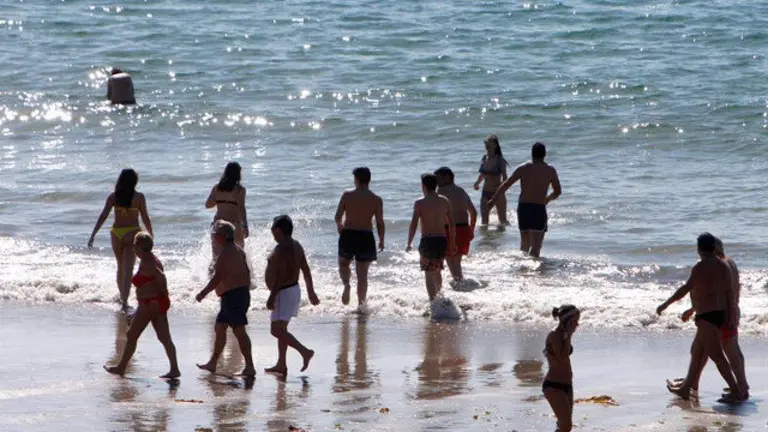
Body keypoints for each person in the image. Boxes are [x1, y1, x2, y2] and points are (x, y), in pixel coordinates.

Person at [656, 233, 743, 402]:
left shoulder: (700, 266)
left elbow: (686, 288)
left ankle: (735, 390)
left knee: (717, 356)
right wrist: (730, 315)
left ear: (699, 249)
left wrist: (665, 304)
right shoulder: (723, 265)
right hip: (720, 315)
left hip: (707, 317)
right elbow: (729, 293)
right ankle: (686, 388)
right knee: (697, 352)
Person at [104, 232, 180, 378]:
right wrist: (162, 298)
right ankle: (174, 369)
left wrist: (164, 293)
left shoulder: (148, 262)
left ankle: (121, 367)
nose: (133, 248)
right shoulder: (151, 259)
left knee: (131, 335)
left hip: (149, 304)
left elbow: (161, 277)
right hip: (155, 303)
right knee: (164, 338)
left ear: (139, 246)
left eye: (134, 245)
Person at [195, 220, 255, 377]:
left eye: (216, 234)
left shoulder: (227, 253)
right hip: (235, 295)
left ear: (224, 236)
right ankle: (213, 363)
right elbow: (247, 272)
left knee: (239, 331)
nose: (214, 236)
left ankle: (250, 367)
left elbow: (217, 278)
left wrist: (203, 293)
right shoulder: (237, 249)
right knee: (220, 327)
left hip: (235, 296)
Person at [88, 169, 153, 311]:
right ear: (134, 181)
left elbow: (103, 216)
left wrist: (93, 234)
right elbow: (145, 218)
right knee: (128, 269)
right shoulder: (139, 197)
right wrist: (151, 235)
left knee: (120, 266)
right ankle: (124, 301)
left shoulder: (113, 197)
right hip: (132, 233)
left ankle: (122, 297)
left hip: (116, 234)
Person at [264, 215, 321, 375]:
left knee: (276, 330)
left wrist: (272, 296)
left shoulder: (282, 248)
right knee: (282, 329)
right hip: (291, 290)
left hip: (284, 291)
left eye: (273, 228)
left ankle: (304, 352)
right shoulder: (296, 244)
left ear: (278, 230)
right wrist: (310, 291)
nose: (272, 232)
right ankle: (281, 364)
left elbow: (281, 275)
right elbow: (306, 269)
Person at [487, 142, 561, 258]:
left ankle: (523, 266)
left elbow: (506, 184)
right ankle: (532, 268)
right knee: (536, 247)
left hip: (524, 208)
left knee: (524, 245)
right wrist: (548, 199)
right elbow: (558, 191)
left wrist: (493, 199)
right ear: (545, 154)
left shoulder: (523, 168)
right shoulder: (550, 170)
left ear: (532, 153)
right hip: (538, 208)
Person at [334, 167, 385, 309]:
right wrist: (381, 240)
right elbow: (380, 223)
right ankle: (361, 306)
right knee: (362, 274)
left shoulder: (347, 195)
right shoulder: (376, 199)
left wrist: (339, 225)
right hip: (366, 236)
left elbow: (337, 216)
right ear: (369, 180)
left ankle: (346, 284)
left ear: (356, 179)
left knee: (344, 263)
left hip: (348, 234)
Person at [406, 174, 457, 301]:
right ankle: (440, 297)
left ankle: (434, 303)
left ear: (423, 186)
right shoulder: (444, 201)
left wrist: (409, 243)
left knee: (429, 274)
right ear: (436, 185)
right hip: (441, 240)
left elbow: (413, 224)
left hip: (427, 240)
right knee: (437, 270)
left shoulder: (419, 203)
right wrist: (452, 243)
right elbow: (452, 224)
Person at [435, 167, 477, 282]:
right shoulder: (461, 191)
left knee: (450, 259)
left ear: (447, 177)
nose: (436, 181)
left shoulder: (440, 191)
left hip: (449, 229)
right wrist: (471, 230)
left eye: (438, 178)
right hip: (464, 229)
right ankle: (460, 282)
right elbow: (473, 212)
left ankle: (459, 284)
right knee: (457, 261)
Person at [543, 304, 580, 432]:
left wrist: (568, 335)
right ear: (566, 321)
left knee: (565, 427)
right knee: (565, 425)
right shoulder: (554, 335)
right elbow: (562, 357)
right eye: (574, 321)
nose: (577, 325)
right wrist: (569, 335)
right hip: (554, 386)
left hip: (567, 385)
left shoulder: (564, 335)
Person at [205, 162, 249, 260]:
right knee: (239, 258)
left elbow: (208, 205)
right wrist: (245, 226)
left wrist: (220, 200)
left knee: (216, 259)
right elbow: (241, 209)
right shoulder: (240, 190)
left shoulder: (217, 187)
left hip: (219, 226)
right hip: (234, 226)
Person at [473, 134, 510, 226]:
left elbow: (505, 178)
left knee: (503, 222)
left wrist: (502, 190)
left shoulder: (500, 160)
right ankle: (486, 236)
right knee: (484, 223)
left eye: (490, 142)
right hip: (485, 193)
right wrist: (477, 183)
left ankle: (510, 233)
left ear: (495, 145)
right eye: (486, 142)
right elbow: (483, 174)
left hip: (497, 193)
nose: (487, 144)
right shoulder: (484, 158)